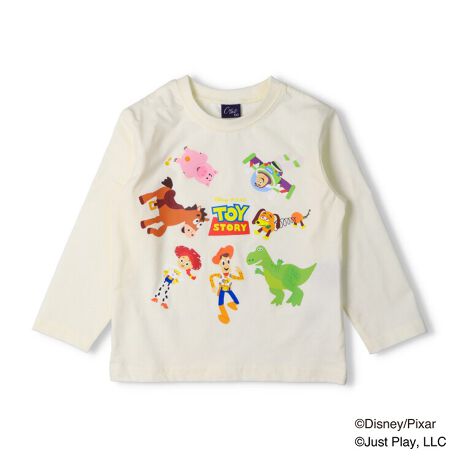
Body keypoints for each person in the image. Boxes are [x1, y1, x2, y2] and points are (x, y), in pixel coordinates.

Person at [209, 245, 244, 324]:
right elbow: (211, 277)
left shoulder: (230, 275)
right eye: (223, 263)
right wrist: (213, 286)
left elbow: (240, 278)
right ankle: (225, 316)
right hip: (221, 289)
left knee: (236, 301)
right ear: (220, 264)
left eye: (228, 262)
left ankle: (232, 304)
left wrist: (240, 272)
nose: (226, 265)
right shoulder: (220, 275)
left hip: (228, 289)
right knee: (220, 303)